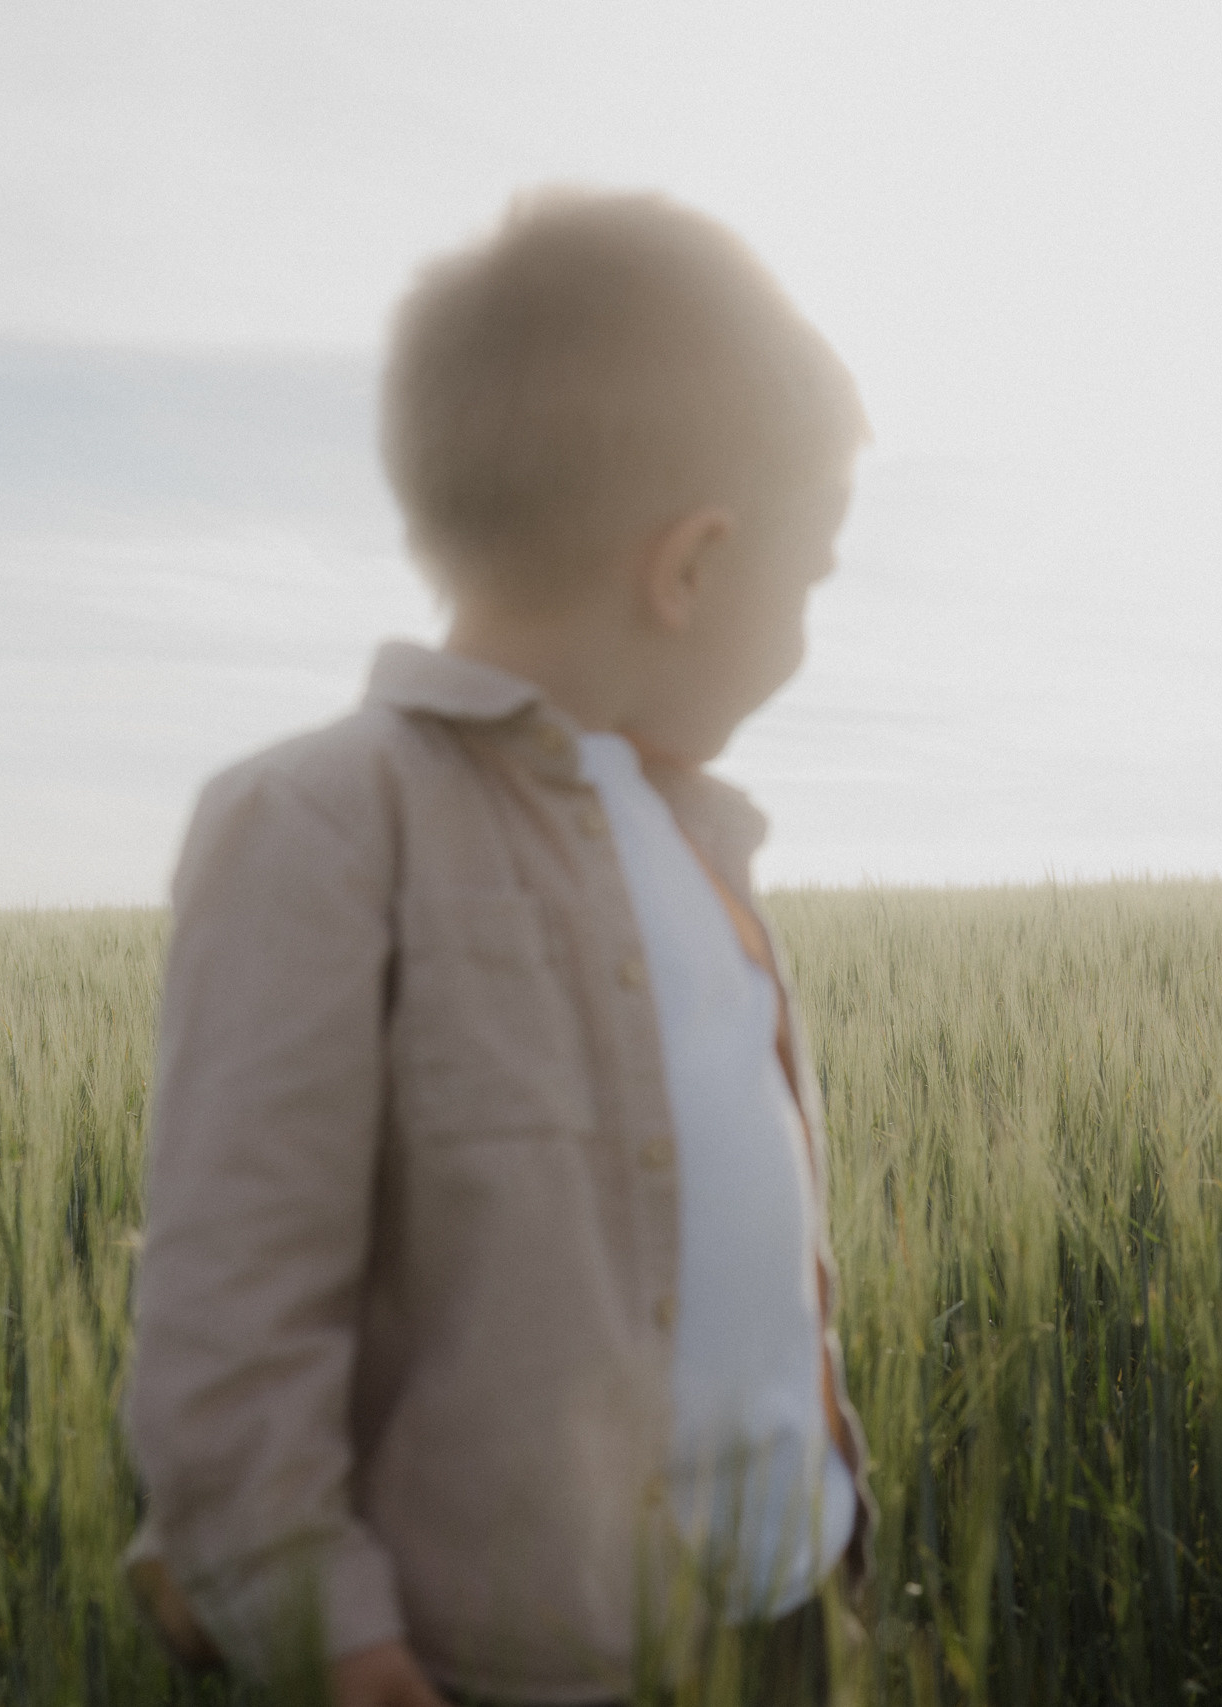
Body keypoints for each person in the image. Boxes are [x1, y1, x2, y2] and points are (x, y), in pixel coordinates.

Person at [122, 188, 874, 1707]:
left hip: (782, 1603)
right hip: (519, 1659)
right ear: (693, 567)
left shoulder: (693, 830)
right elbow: (235, 1309)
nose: (805, 634)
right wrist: (322, 1623)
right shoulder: (328, 823)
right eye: (810, 585)